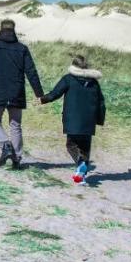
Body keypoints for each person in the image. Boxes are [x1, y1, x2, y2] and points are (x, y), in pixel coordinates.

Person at [0, 19, 43, 169]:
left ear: (0, 29)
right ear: (14, 30)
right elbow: (31, 72)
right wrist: (39, 94)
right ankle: (17, 158)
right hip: (16, 92)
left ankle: (5, 145)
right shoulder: (22, 49)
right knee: (15, 124)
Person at [39, 54, 106, 184]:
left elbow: (55, 93)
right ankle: (81, 177)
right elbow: (101, 103)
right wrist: (99, 120)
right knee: (85, 148)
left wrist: (43, 99)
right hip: (88, 121)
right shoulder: (94, 82)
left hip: (72, 119)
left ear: (73, 66)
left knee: (71, 145)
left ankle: (80, 164)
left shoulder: (68, 79)